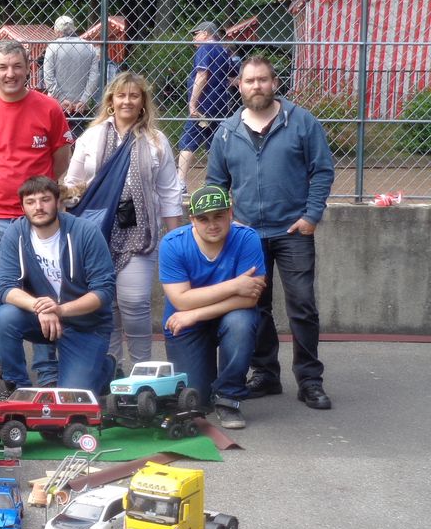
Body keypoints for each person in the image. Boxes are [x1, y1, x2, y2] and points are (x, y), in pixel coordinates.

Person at [206, 55, 334, 410]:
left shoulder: (301, 122)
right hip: (247, 236)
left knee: (302, 306)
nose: (257, 86)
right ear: (240, 86)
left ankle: (309, 380)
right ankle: (265, 373)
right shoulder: (227, 131)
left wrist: (311, 216)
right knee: (256, 306)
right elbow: (215, 184)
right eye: (249, 81)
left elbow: (322, 170)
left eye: (263, 79)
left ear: (275, 83)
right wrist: (226, 225)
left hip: (293, 231)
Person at [0, 41, 72, 372]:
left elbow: (60, 161)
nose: (10, 74)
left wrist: (34, 199)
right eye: (3, 67)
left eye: (17, 66)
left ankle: (46, 372)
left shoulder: (49, 108)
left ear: (28, 69)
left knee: (44, 294)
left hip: (38, 222)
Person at [65, 72, 186, 366]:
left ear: (143, 102)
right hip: (97, 233)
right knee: (106, 304)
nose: (127, 101)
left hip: (140, 234)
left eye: (134, 95)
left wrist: (175, 240)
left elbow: (169, 192)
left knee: (135, 302)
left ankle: (142, 368)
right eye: (121, 95)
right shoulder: (91, 137)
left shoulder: (156, 141)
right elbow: (72, 183)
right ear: (111, 100)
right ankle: (112, 368)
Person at [0, 176, 116, 396]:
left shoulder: (86, 232)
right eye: (30, 202)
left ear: (58, 202)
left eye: (45, 199)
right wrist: (40, 307)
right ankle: (18, 388)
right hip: (42, 319)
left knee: (71, 400)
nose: (38, 207)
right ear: (22, 207)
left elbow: (104, 291)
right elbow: (4, 287)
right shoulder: (15, 233)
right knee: (5, 316)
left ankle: (103, 369)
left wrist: (60, 309)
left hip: (86, 325)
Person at [159, 184, 266, 430]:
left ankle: (229, 397)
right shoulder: (172, 244)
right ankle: (210, 388)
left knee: (241, 321)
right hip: (185, 324)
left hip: (214, 316)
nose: (212, 224)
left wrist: (196, 312)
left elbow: (250, 298)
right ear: (192, 219)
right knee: (196, 401)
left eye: (219, 216)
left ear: (230, 213)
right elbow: (181, 300)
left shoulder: (247, 238)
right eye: (204, 219)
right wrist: (235, 285)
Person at [177, 22, 236, 193]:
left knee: (188, 140)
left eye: (195, 34)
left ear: (205, 33)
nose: (193, 38)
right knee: (214, 143)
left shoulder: (205, 48)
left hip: (203, 103)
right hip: (220, 103)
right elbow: (232, 78)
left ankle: (180, 184)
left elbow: (202, 75)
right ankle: (217, 182)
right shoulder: (224, 51)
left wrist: (192, 103)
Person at [43, 15, 101, 136]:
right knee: (79, 136)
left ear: (56, 31)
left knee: (57, 135)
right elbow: (94, 76)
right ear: (74, 28)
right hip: (80, 105)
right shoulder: (89, 46)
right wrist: (84, 99)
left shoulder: (52, 47)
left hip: (57, 103)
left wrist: (61, 98)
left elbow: (48, 77)